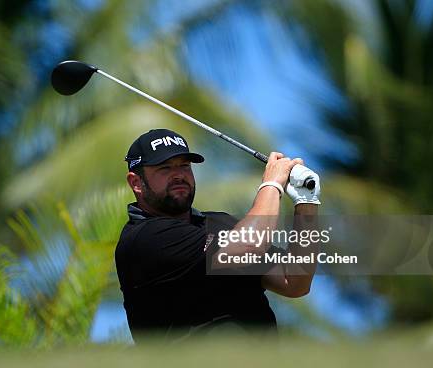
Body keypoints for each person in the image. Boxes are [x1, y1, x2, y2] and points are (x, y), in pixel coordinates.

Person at [115, 129, 320, 343]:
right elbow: (249, 245)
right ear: (136, 183)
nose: (178, 175)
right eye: (165, 168)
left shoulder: (221, 224)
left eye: (184, 166)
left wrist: (307, 203)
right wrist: (272, 183)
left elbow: (294, 281)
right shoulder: (143, 238)